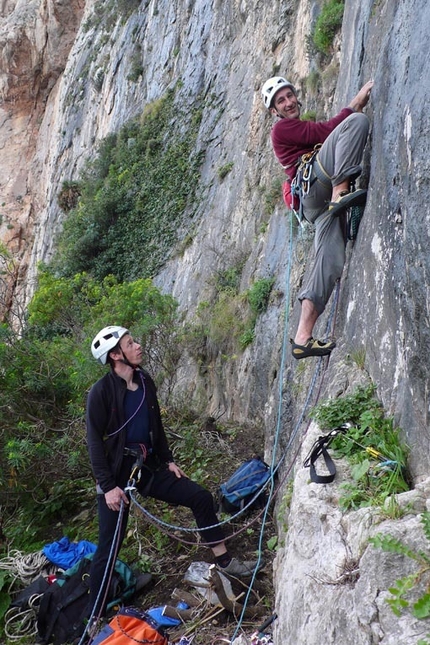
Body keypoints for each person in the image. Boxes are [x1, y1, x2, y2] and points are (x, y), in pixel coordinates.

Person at [86, 325, 259, 618]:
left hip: (146, 468)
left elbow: (156, 427)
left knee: (200, 497)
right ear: (116, 355)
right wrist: (108, 487)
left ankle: (226, 562)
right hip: (116, 478)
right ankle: (94, 615)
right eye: (131, 344)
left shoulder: (144, 382)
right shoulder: (100, 393)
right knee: (109, 545)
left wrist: (167, 460)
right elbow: (94, 441)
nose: (138, 346)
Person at [262, 76, 374, 359]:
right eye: (281, 101)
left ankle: (302, 337)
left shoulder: (292, 127)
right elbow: (327, 131)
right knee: (357, 123)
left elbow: (323, 133)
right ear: (274, 111)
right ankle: (341, 192)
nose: (288, 103)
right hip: (317, 186)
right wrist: (357, 102)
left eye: (289, 96)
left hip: (313, 201)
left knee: (328, 260)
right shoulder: (282, 129)